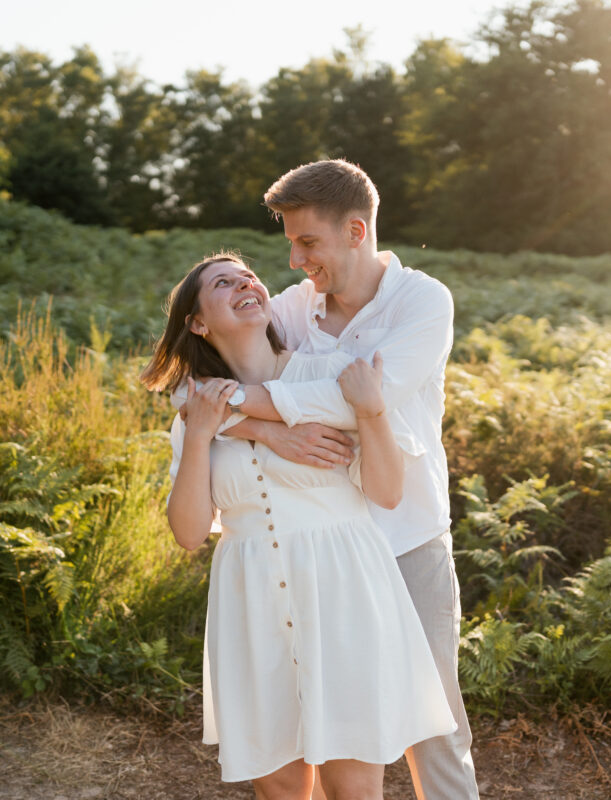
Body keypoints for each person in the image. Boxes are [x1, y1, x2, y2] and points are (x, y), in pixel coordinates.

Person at [141, 252, 456, 799]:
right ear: (198, 323)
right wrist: (203, 433)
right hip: (251, 604)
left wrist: (371, 411)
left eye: (248, 276)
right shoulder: (198, 410)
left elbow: (386, 492)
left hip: (345, 596)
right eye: (223, 282)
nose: (245, 283)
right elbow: (190, 533)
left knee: (352, 787)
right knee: (281, 789)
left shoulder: (328, 374)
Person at [220, 160, 480, 800]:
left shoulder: (422, 301)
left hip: (406, 537)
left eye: (308, 242)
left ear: (356, 231)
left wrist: (249, 403)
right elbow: (193, 383)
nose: (294, 260)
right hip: (324, 552)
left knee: (435, 726)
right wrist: (267, 430)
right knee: (330, 722)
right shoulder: (295, 308)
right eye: (290, 242)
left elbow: (361, 401)